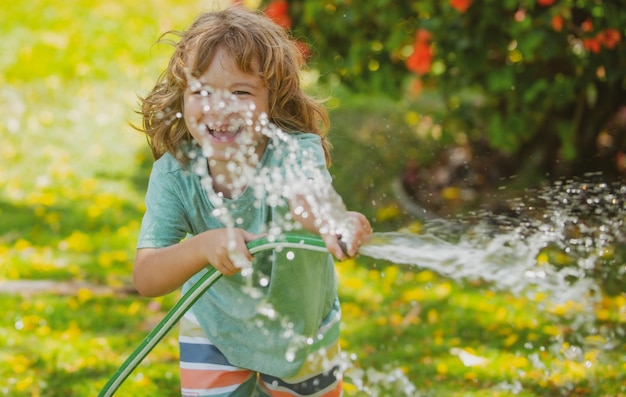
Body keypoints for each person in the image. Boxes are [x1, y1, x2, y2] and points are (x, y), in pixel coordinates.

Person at [132, 5, 372, 397]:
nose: (220, 108)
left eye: (241, 92)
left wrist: (333, 223)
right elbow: (146, 277)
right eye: (203, 91)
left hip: (301, 328)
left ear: (270, 99)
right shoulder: (175, 172)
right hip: (213, 328)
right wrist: (203, 246)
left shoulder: (293, 152)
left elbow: (305, 199)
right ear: (182, 95)